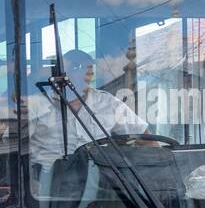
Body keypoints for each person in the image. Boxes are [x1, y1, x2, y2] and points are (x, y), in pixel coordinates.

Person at [27, 49, 147, 177]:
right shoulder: (38, 103)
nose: (89, 73)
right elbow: (14, 145)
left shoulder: (107, 102)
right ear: (63, 73)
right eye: (80, 67)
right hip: (47, 181)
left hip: (97, 179)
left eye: (90, 68)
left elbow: (143, 134)